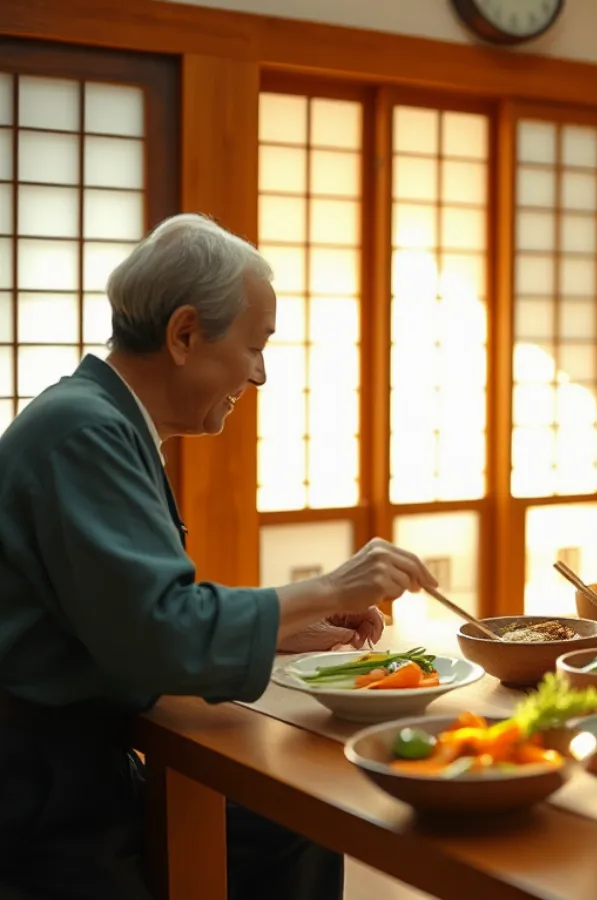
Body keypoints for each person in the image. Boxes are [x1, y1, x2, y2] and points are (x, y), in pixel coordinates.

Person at [0, 214, 440, 900]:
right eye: (255, 346)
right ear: (184, 335)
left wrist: (277, 625)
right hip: (39, 801)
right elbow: (157, 635)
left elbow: (130, 613)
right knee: (287, 825)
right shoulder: (82, 431)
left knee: (292, 825)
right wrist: (329, 588)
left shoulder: (96, 418)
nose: (260, 375)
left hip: (71, 767)